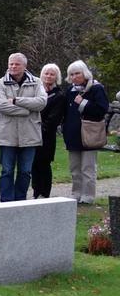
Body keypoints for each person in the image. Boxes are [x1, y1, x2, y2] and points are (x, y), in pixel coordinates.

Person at [0, 53, 47, 202]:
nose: (13, 67)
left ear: (24, 66)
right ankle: (6, 201)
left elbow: (41, 102)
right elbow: (1, 106)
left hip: (30, 134)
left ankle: (20, 201)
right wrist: (25, 110)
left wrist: (16, 100)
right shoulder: (0, 83)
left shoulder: (36, 82)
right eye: (11, 64)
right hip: (7, 135)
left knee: (25, 171)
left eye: (17, 64)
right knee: (7, 171)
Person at [61, 60, 109, 204]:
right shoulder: (70, 90)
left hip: (90, 134)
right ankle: (76, 193)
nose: (75, 77)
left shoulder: (96, 88)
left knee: (88, 168)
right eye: (71, 74)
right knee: (75, 168)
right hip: (73, 135)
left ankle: (88, 196)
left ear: (85, 73)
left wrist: (83, 103)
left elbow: (102, 110)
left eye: (77, 73)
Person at [32, 64, 66, 198]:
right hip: (31, 134)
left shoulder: (59, 96)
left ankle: (44, 193)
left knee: (44, 164)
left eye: (52, 74)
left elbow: (53, 119)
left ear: (56, 77)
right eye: (46, 73)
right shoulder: (36, 91)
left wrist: (39, 128)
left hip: (46, 136)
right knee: (33, 164)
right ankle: (36, 192)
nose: (48, 76)